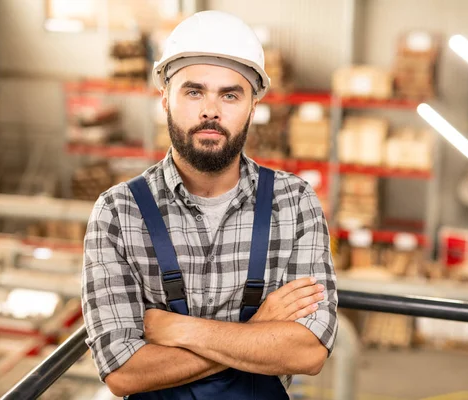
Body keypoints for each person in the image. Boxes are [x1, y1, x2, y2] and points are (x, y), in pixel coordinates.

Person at [81, 10, 338, 400]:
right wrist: (259, 330)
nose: (210, 111)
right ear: (165, 98)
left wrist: (181, 331)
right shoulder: (118, 212)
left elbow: (308, 351)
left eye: (230, 94)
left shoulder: (294, 203)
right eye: (194, 91)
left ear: (253, 105)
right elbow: (123, 371)